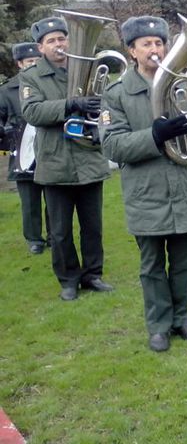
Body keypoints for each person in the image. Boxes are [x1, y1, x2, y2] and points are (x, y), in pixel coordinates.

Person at [99, 16, 187, 352]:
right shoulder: (116, 94)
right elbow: (112, 146)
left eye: (159, 43)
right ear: (131, 51)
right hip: (146, 191)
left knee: (183, 263)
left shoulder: (185, 84)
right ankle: (158, 324)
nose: (155, 50)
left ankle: (182, 317)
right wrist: (155, 135)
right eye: (146, 44)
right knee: (152, 265)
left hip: (184, 186)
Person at [20, 16, 113, 301]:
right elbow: (32, 112)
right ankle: (69, 279)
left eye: (62, 38)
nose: (59, 45)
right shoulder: (31, 77)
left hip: (88, 159)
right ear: (41, 47)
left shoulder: (87, 68)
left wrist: (100, 121)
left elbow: (106, 106)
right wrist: (70, 104)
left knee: (92, 226)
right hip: (55, 163)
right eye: (52, 41)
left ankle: (93, 274)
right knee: (60, 231)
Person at [0, 42, 50, 254]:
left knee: (54, 198)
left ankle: (55, 235)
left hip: (49, 150)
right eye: (30, 61)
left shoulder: (49, 84)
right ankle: (34, 239)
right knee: (30, 201)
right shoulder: (7, 91)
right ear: (20, 64)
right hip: (21, 153)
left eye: (38, 61)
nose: (34, 65)